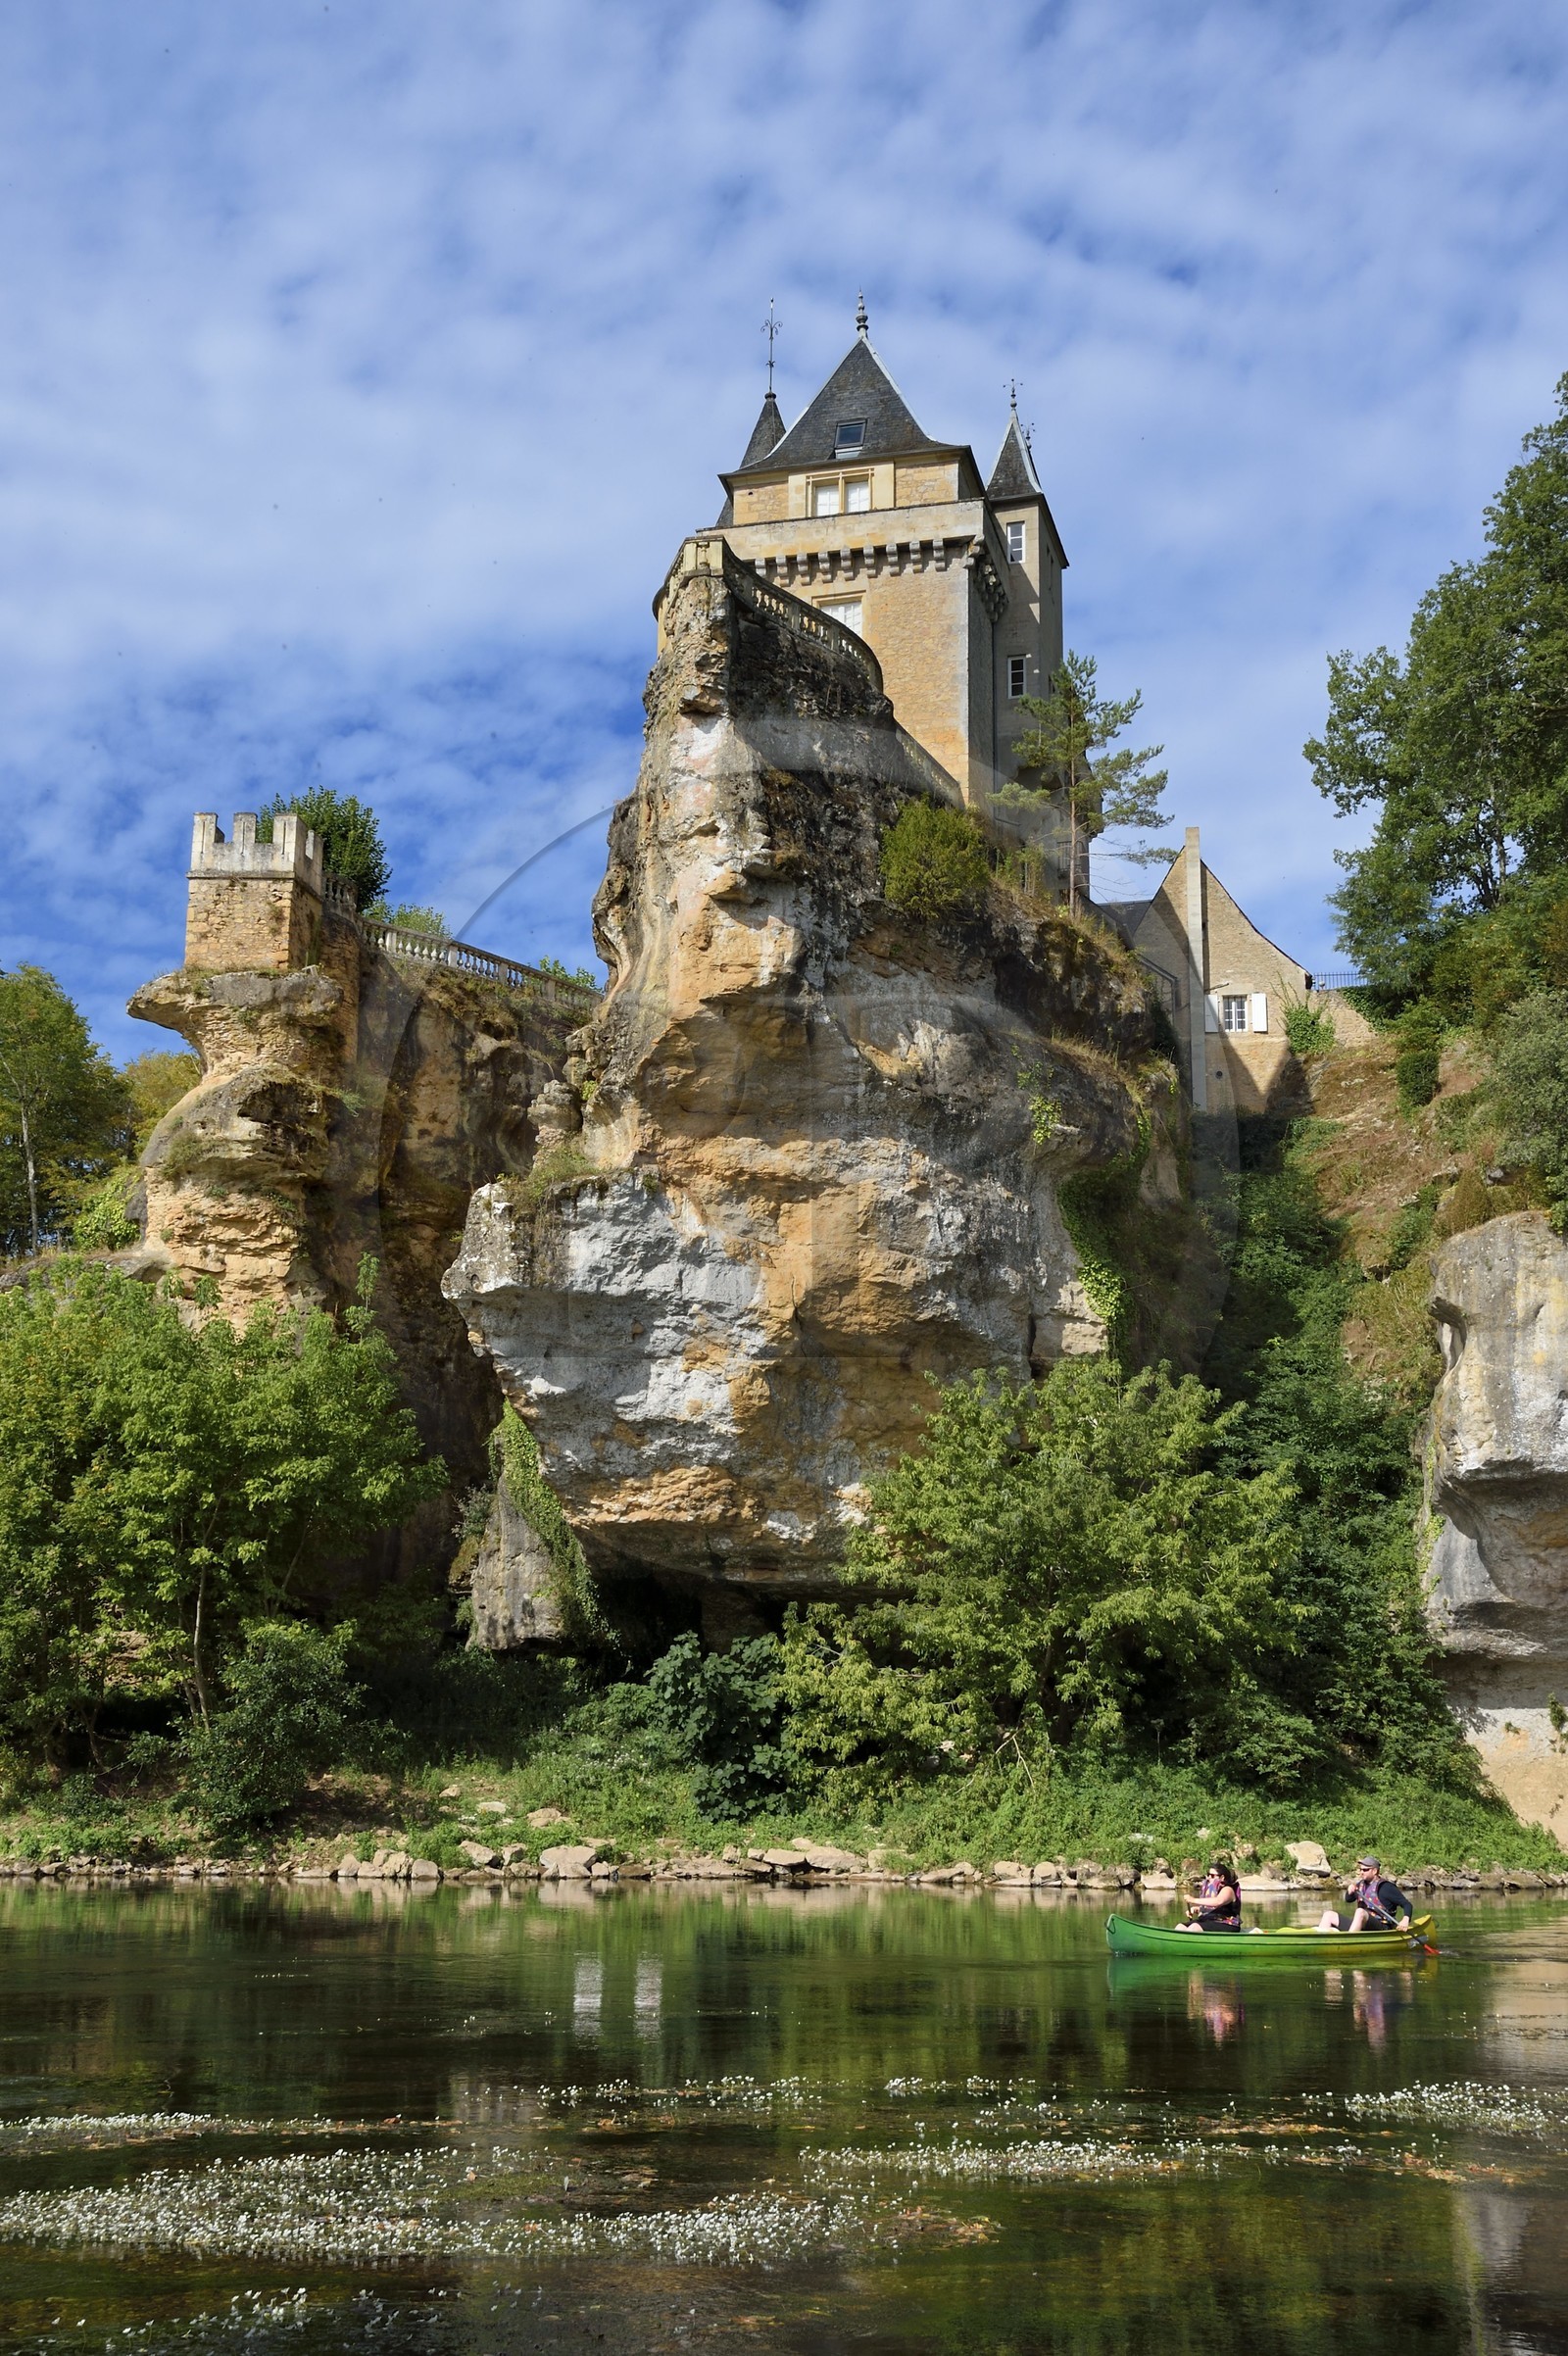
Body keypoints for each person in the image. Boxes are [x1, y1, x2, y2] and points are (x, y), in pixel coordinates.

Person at [1315, 1856, 1414, 1934]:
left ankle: (1348, 1942)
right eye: (1361, 1869)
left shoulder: (1386, 1887)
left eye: (1365, 1870)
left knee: (1360, 1912)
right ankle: (1320, 1940)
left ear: (1375, 1871)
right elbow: (1348, 1900)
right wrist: (1349, 1892)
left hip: (1382, 1926)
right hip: (1363, 1924)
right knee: (1328, 1915)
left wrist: (1405, 1920)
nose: (1362, 1872)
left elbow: (1407, 1904)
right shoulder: (1361, 1885)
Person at [1172, 1856, 1243, 1933]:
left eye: (1212, 1875)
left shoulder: (1228, 1889)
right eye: (1208, 1874)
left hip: (1227, 1924)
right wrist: (1197, 1909)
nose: (1208, 1878)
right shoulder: (1210, 1888)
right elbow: (1214, 1909)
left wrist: (1193, 1900)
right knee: (1180, 1927)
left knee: (1194, 1927)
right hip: (1209, 1920)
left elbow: (1218, 1901)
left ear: (1222, 1877)